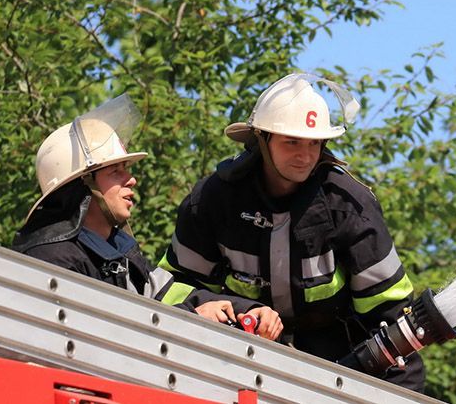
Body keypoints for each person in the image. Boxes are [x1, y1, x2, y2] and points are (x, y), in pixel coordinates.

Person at [159, 74, 425, 391]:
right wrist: (238, 310)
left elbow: (393, 319)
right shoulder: (213, 201)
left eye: (314, 143)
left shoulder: (349, 207)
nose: (305, 155)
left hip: (336, 368)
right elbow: (172, 288)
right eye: (292, 142)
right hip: (235, 361)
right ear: (262, 139)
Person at [12, 95, 282, 340]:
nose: (132, 179)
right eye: (116, 171)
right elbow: (101, 338)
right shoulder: (53, 258)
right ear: (82, 185)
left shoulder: (117, 254)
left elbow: (170, 294)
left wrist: (246, 309)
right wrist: (191, 320)